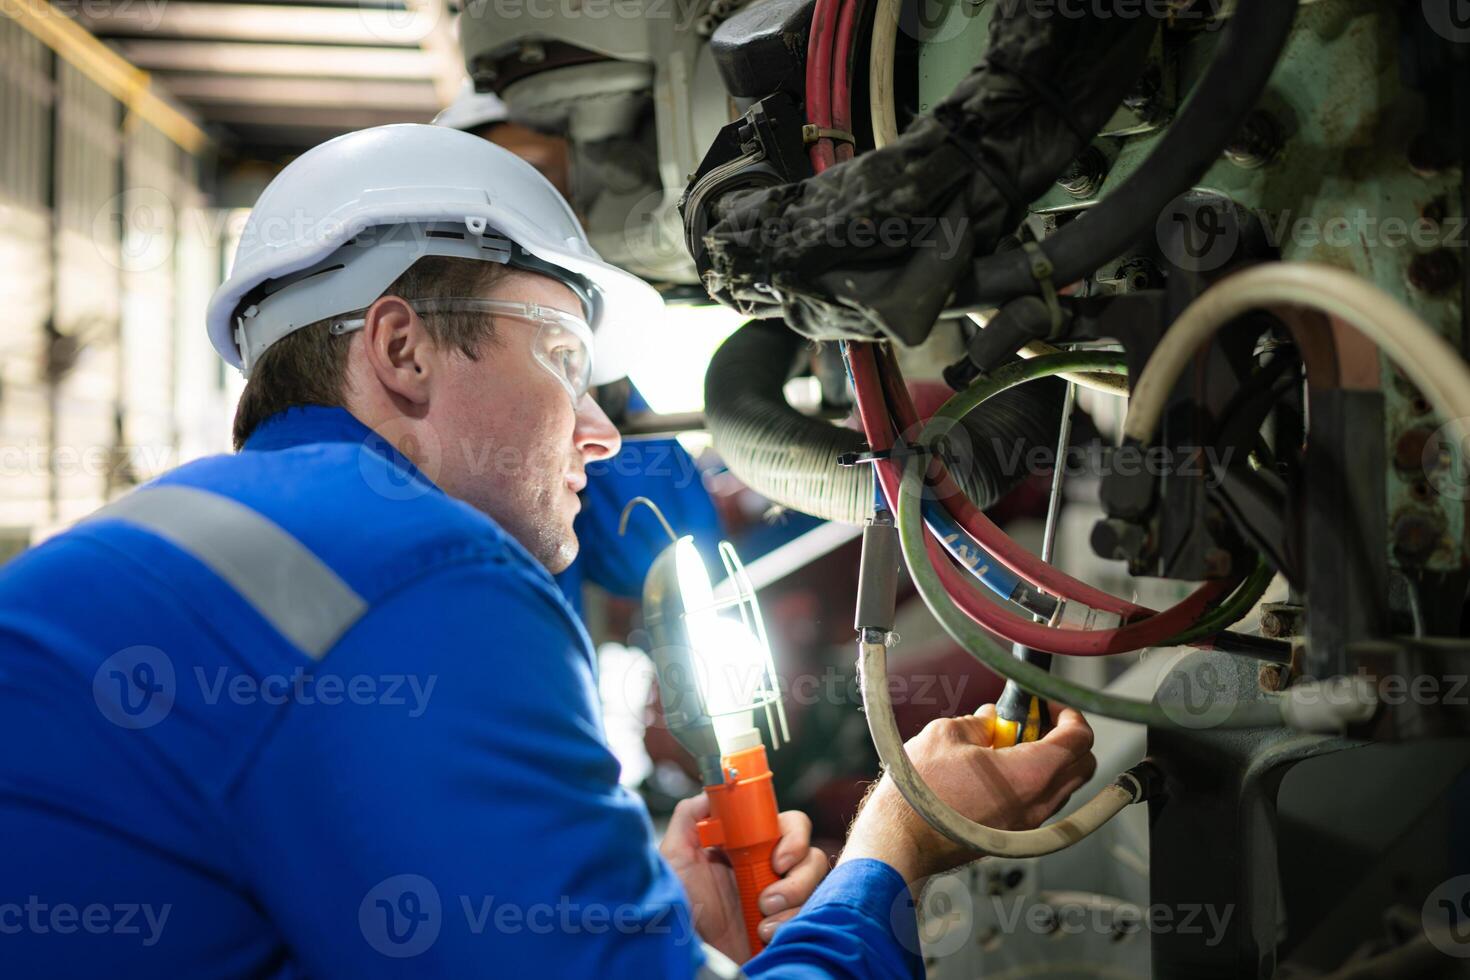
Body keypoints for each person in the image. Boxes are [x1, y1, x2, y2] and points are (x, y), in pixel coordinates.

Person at [0, 124, 1098, 978]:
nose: (604, 431)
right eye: (566, 358)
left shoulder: (210, 544)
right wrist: (895, 845)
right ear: (402, 348)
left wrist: (638, 925)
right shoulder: (413, 572)